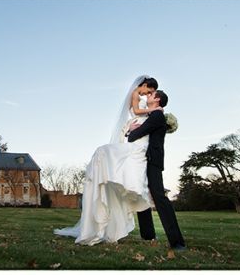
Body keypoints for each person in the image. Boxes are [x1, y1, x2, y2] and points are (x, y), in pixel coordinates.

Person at [53, 75, 161, 245]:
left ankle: (145, 230)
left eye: (152, 93)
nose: (149, 94)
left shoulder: (149, 107)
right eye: (150, 91)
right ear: (145, 85)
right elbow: (136, 112)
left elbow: (138, 119)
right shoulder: (136, 95)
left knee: (137, 183)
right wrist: (151, 112)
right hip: (137, 140)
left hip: (142, 144)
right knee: (111, 159)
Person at [128, 90, 187, 251]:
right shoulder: (151, 116)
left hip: (153, 161)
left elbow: (136, 135)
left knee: (159, 197)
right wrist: (131, 129)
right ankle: (148, 235)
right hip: (145, 160)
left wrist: (131, 131)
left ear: (157, 100)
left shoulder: (157, 116)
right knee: (142, 194)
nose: (147, 96)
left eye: (150, 95)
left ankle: (177, 242)